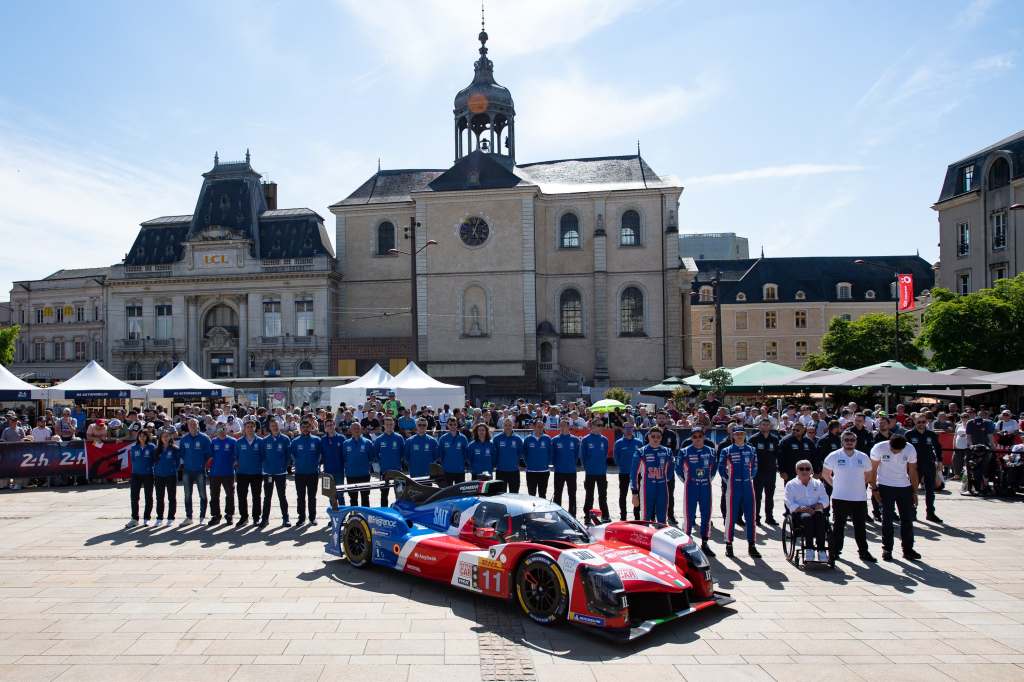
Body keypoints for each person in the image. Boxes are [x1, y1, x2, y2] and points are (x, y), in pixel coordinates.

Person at [822, 432, 876, 565]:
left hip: (859, 498)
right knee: (839, 526)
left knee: (860, 526)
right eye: (846, 440)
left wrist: (858, 485)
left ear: (856, 442)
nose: (849, 442)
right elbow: (826, 474)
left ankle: (863, 551)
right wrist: (836, 485)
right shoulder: (834, 456)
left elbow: (868, 475)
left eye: (852, 440)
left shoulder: (863, 456)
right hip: (840, 497)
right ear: (842, 441)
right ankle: (835, 551)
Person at [870, 435, 921, 561]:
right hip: (885, 486)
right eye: (893, 450)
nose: (895, 452)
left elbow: (913, 470)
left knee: (907, 519)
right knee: (887, 519)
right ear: (889, 444)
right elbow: (873, 470)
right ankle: (887, 549)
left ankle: (908, 550)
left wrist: (915, 492)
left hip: (904, 486)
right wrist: (874, 489)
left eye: (898, 451)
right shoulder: (879, 448)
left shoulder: (910, 449)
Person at [718, 428, 760, 558]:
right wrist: (728, 480)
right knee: (731, 516)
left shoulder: (751, 450)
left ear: (745, 435)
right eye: (737, 434)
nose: (740, 436)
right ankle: (729, 544)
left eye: (742, 434)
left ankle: (752, 545)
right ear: (733, 436)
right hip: (733, 487)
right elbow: (721, 467)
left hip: (747, 486)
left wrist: (750, 477)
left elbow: (755, 466)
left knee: (751, 516)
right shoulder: (727, 450)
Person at [676, 427, 717, 556]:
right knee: (689, 515)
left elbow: (714, 468)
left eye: (700, 436)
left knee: (706, 515)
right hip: (691, 487)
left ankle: (705, 543)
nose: (697, 439)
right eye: (694, 436)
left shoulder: (711, 451)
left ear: (704, 437)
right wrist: (686, 481)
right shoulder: (684, 451)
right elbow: (678, 469)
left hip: (705, 487)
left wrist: (708, 479)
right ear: (691, 438)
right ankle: (687, 544)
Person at [784, 458, 830, 564]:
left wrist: (819, 505)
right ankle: (809, 549)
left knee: (820, 518)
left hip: (816, 510)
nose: (804, 471)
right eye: (801, 469)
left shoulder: (818, 483)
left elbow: (825, 499)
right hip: (800, 512)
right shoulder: (791, 484)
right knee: (807, 518)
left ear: (811, 471)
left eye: (807, 469)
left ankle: (821, 549)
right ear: (797, 471)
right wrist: (802, 508)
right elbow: (788, 501)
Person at [905, 414, 943, 524]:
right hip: (915, 466)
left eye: (923, 422)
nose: (921, 424)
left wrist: (940, 461)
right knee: (912, 489)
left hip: (929, 464)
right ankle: (912, 512)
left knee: (930, 491)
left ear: (926, 422)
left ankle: (930, 513)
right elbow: (904, 450)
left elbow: (938, 448)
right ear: (914, 422)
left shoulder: (931, 434)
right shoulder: (909, 434)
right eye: (919, 422)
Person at [631, 426, 672, 523]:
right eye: (653, 436)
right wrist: (634, 493)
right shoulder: (641, 452)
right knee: (645, 517)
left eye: (658, 436)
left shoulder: (667, 451)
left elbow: (671, 468)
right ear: (648, 437)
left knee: (662, 518)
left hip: (662, 487)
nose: (655, 439)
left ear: (661, 438)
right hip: (647, 488)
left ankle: (660, 532)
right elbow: (634, 474)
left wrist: (667, 478)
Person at [178, 419, 212, 525]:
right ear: (187, 426)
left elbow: (209, 455)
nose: (192, 426)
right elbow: (182, 454)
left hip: (200, 470)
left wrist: (204, 465)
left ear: (198, 425)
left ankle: (202, 517)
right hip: (187, 471)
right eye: (190, 424)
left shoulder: (205, 438)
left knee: (203, 495)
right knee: (187, 495)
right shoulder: (184, 439)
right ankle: (189, 517)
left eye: (194, 424)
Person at [748, 418, 781, 525]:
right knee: (757, 496)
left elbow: (778, 455)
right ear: (759, 426)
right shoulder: (753, 439)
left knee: (770, 496)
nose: (765, 426)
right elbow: (750, 456)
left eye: (767, 424)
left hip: (771, 472)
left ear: (770, 426)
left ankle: (769, 517)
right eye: (763, 424)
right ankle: (756, 518)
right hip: (758, 472)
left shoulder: (775, 439)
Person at [290, 417, 323, 524]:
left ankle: (312, 517)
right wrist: (296, 462)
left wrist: (317, 463)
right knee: (300, 497)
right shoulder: (295, 441)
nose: (305, 429)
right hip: (299, 473)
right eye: (303, 427)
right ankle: (301, 518)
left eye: (307, 427)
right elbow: (292, 454)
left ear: (311, 427)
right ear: (300, 428)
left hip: (313, 473)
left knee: (312, 497)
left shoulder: (316, 440)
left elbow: (320, 453)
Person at [261, 418, 291, 527]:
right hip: (268, 473)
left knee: (282, 496)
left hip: (280, 473)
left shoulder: (285, 439)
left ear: (280, 426)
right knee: (267, 497)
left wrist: (284, 467)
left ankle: (286, 518)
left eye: (276, 425)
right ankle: (264, 519)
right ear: (270, 427)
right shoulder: (265, 440)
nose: (275, 427)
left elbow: (288, 456)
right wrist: (266, 467)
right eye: (272, 426)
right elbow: (262, 456)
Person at [234, 417, 263, 527]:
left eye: (252, 427)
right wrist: (236, 466)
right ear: (244, 429)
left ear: (255, 428)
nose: (250, 429)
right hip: (242, 473)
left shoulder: (260, 441)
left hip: (256, 473)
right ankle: (244, 517)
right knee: (242, 496)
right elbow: (235, 457)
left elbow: (264, 457)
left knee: (256, 497)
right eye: (248, 427)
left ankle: (256, 517)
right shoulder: (239, 442)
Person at [581, 418, 611, 523]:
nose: (601, 427)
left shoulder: (604, 440)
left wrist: (603, 467)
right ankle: (587, 517)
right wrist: (587, 468)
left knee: (603, 496)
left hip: (601, 472)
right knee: (589, 496)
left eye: (602, 425)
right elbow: (583, 456)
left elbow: (605, 454)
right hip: (590, 473)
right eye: (598, 425)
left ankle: (605, 516)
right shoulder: (585, 439)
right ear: (592, 426)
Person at [208, 424, 237, 525]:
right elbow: (210, 457)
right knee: (214, 495)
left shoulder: (233, 441)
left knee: (230, 495)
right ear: (216, 430)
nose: (221, 430)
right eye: (219, 429)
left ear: (226, 429)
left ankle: (229, 515)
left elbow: (237, 456)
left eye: (223, 428)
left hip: (228, 473)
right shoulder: (213, 442)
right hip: (215, 473)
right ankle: (216, 516)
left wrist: (234, 464)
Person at [126, 428, 156, 527]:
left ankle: (146, 518)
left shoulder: (151, 447)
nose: (142, 438)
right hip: (136, 475)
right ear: (138, 437)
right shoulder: (134, 448)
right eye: (140, 436)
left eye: (144, 436)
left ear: (147, 437)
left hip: (148, 474)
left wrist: (149, 467)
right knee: (134, 497)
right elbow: (133, 460)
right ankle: (134, 519)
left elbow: (154, 460)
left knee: (148, 497)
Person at [551, 419, 581, 516]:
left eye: (564, 425)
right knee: (558, 493)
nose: (562, 427)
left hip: (571, 471)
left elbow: (576, 455)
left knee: (572, 494)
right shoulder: (555, 440)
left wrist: (571, 464)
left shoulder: (575, 440)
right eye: (561, 425)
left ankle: (572, 514)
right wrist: (556, 465)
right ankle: (557, 514)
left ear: (568, 427)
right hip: (559, 471)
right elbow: (553, 455)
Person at [654, 411, 680, 525]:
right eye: (659, 418)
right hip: (654, 469)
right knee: (654, 494)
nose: (661, 420)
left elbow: (674, 451)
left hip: (668, 469)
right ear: (656, 420)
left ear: (666, 419)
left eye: (663, 418)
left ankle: (670, 515)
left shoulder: (672, 434)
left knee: (669, 493)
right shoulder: (650, 433)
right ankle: (653, 516)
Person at [151, 427, 181, 526]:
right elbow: (154, 462)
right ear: (160, 438)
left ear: (170, 437)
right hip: (159, 476)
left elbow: (178, 462)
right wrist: (156, 471)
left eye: (167, 436)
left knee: (171, 497)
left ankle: (171, 518)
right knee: (159, 497)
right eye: (163, 436)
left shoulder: (175, 449)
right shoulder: (156, 450)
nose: (165, 438)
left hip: (171, 476)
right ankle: (159, 518)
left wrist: (173, 470)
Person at [373, 416, 405, 505]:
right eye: (387, 424)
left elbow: (403, 453)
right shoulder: (379, 439)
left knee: (400, 494)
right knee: (384, 494)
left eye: (391, 424)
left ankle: (399, 511)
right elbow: (375, 454)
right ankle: (384, 511)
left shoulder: (399, 438)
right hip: (384, 471)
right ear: (384, 425)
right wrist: (381, 463)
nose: (389, 426)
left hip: (397, 471)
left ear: (393, 425)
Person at [613, 423, 642, 520]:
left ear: (633, 429)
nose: (629, 430)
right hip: (624, 473)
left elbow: (642, 458)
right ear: (623, 429)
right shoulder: (618, 443)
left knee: (637, 494)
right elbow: (616, 458)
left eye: (631, 428)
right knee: (623, 495)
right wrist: (622, 466)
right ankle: (623, 516)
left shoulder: (638, 442)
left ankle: (637, 516)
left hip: (636, 474)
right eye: (626, 428)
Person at [343, 422, 374, 506]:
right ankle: (354, 514)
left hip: (364, 474)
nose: (356, 430)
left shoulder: (368, 442)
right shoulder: (346, 443)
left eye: (358, 428)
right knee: (353, 498)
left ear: (361, 430)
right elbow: (344, 458)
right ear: (350, 430)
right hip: (351, 475)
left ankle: (365, 514)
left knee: (365, 497)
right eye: (354, 428)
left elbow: (371, 457)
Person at [491, 420, 523, 493]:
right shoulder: (496, 438)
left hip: (514, 471)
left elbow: (520, 454)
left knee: (514, 494)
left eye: (509, 425)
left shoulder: (518, 439)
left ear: (513, 426)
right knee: (501, 495)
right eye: (506, 425)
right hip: (500, 471)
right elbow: (494, 454)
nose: (507, 427)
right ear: (503, 426)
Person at [523, 420, 553, 497]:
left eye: (541, 427)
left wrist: (546, 464)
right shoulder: (527, 439)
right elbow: (524, 454)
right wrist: (529, 464)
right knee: (531, 495)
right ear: (534, 427)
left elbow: (550, 453)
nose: (540, 428)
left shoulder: (547, 438)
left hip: (544, 471)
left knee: (542, 495)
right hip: (531, 471)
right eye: (538, 426)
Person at [438, 418, 470, 486]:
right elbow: (440, 455)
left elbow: (466, 454)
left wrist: (465, 465)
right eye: (450, 424)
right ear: (447, 425)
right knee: (448, 491)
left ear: (457, 425)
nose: (453, 426)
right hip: (447, 470)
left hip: (460, 470)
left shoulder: (463, 438)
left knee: (459, 491)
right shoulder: (443, 438)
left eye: (454, 424)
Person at [321, 418, 346, 489]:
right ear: (325, 428)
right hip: (327, 471)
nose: (330, 427)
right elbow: (320, 455)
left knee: (340, 492)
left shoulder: (342, 438)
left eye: (331, 425)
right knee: (328, 492)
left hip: (339, 471)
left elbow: (345, 454)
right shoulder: (322, 439)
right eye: (328, 425)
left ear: (334, 425)